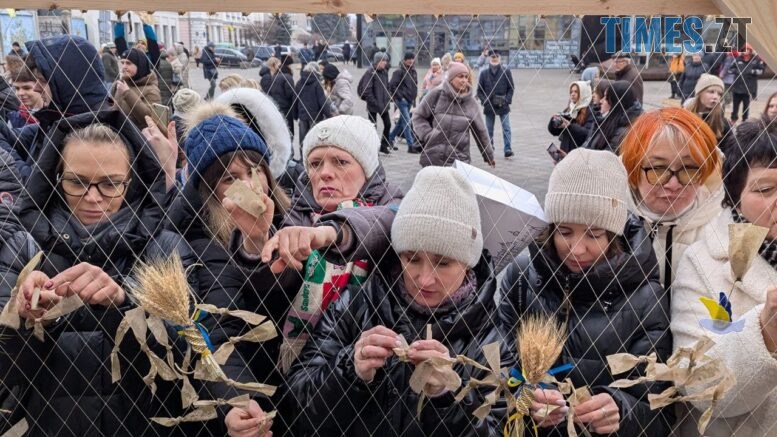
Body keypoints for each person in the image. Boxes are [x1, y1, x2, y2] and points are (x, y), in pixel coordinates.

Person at [0, 110, 250, 436]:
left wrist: (124, 305)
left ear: (131, 182)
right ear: (56, 176)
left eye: (110, 184)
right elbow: (6, 370)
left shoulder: (163, 248)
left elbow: (186, 358)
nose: (92, 197)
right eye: (77, 182)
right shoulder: (25, 247)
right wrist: (24, 319)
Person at [286, 166, 511, 436]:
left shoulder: (489, 337)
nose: (424, 279)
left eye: (443, 263)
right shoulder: (355, 305)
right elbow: (296, 411)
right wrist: (350, 371)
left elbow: (503, 427)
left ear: (468, 264)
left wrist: (445, 397)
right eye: (411, 259)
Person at [499, 148, 673, 437]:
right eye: (564, 231)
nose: (577, 249)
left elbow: (659, 409)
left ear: (614, 235)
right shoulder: (521, 276)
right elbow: (498, 371)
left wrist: (621, 409)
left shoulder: (645, 297)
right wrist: (526, 399)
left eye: (593, 234)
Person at [671, 120, 777, 436]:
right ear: (735, 197)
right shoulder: (705, 263)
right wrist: (766, 333)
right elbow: (697, 385)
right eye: (765, 189)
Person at [620, 107, 722, 290]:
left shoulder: (723, 231)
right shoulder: (603, 225)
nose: (673, 185)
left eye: (689, 169)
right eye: (658, 169)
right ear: (633, 170)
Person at [412, 61, 494, 167]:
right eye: (460, 77)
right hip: (433, 157)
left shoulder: (471, 102)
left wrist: (489, 156)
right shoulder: (436, 94)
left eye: (466, 77)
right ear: (451, 78)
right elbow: (418, 116)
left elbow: (481, 131)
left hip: (459, 160)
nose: (464, 80)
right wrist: (428, 135)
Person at [112, 47, 165, 132]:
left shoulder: (152, 90)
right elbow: (111, 107)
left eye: (128, 63)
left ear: (140, 66)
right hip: (119, 137)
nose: (124, 67)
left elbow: (152, 120)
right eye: (122, 63)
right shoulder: (119, 84)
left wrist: (127, 93)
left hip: (139, 140)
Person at [583, 80, 642, 152]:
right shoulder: (608, 120)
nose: (601, 101)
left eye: (606, 98)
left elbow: (607, 158)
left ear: (615, 102)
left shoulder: (622, 131)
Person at [477, 50, 515, 158]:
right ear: (489, 58)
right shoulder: (484, 73)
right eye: (492, 56)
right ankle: (490, 148)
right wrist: (484, 101)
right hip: (489, 105)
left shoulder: (506, 71)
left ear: (500, 58)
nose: (494, 58)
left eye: (496, 56)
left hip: (503, 104)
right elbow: (479, 90)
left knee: (506, 128)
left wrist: (507, 100)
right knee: (489, 129)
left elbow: (511, 88)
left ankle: (508, 149)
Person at [358, 52, 393, 154]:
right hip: (373, 105)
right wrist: (374, 102)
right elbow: (367, 90)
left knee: (388, 124)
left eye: (385, 60)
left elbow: (387, 86)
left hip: (384, 104)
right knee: (373, 127)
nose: (385, 63)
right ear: (377, 61)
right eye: (383, 61)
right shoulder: (370, 72)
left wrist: (389, 96)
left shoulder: (385, 72)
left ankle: (384, 146)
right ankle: (372, 148)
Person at [294, 63, 333, 154]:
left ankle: (303, 160)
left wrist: (295, 114)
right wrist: (329, 115)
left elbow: (295, 99)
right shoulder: (317, 83)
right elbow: (322, 101)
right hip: (315, 116)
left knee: (303, 140)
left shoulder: (299, 83)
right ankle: (314, 159)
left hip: (302, 116)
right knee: (314, 140)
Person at [685, 73, 732, 148]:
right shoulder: (683, 116)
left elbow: (729, 152)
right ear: (700, 93)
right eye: (711, 92)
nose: (715, 97)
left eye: (719, 94)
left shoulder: (723, 124)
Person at [547, 81, 594, 154]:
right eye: (571, 92)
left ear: (583, 93)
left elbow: (587, 134)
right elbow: (555, 132)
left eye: (576, 92)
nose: (572, 94)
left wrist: (570, 126)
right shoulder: (570, 109)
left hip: (579, 153)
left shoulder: (590, 111)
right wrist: (553, 122)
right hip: (565, 152)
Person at [388, 52, 419, 153]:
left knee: (401, 122)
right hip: (402, 101)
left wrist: (414, 99)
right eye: (408, 58)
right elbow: (392, 85)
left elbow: (415, 86)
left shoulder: (413, 71)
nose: (411, 60)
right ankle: (411, 146)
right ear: (404, 60)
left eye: (412, 58)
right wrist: (400, 97)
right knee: (407, 122)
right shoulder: (399, 71)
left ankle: (390, 138)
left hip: (410, 100)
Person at [259, 56, 296, 141]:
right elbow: (289, 93)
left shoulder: (273, 76)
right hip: (281, 106)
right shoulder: (269, 77)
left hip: (276, 105)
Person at [729, 43, 765, 123]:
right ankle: (733, 119)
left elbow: (761, 71)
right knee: (735, 107)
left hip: (748, 88)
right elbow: (730, 69)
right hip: (737, 88)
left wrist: (752, 71)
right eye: (744, 49)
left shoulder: (756, 60)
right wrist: (737, 71)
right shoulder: (737, 59)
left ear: (750, 51)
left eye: (748, 49)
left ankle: (744, 121)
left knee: (746, 107)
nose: (746, 51)